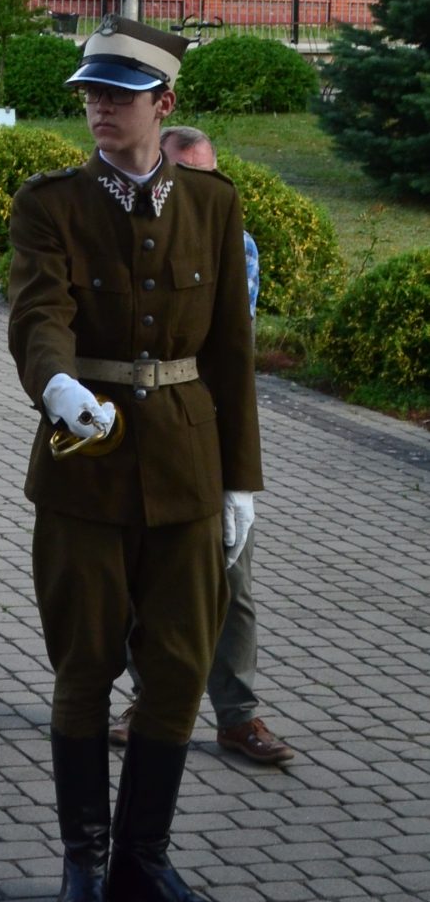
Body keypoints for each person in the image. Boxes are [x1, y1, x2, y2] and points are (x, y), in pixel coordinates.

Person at [9, 17, 262, 902]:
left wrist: (240, 481)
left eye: (118, 95)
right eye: (91, 94)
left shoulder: (212, 203)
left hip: (187, 466)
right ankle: (83, 860)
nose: (99, 109)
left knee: (181, 667)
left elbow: (230, 350)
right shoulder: (53, 203)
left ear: (164, 103)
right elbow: (37, 312)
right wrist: (54, 382)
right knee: (83, 665)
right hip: (85, 463)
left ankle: (142, 860)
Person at [111, 125, 290, 767]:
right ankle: (147, 700)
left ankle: (237, 715)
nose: (197, 189)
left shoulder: (233, 241)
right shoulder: (124, 228)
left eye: (207, 176)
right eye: (184, 176)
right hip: (145, 433)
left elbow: (226, 341)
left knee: (232, 582)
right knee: (144, 578)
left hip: (211, 433)